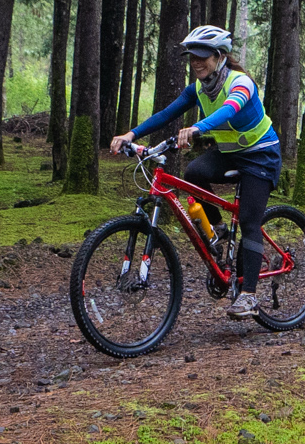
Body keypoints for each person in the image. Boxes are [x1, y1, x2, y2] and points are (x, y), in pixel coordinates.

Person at [112, 26, 282, 320]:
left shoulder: (241, 83)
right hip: (230, 154)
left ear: (220, 57)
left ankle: (250, 295)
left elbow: (229, 110)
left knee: (250, 222)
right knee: (193, 173)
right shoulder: (198, 90)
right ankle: (218, 229)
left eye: (202, 56)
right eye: (192, 57)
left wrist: (198, 127)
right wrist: (131, 133)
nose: (196, 63)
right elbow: (167, 113)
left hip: (261, 156)